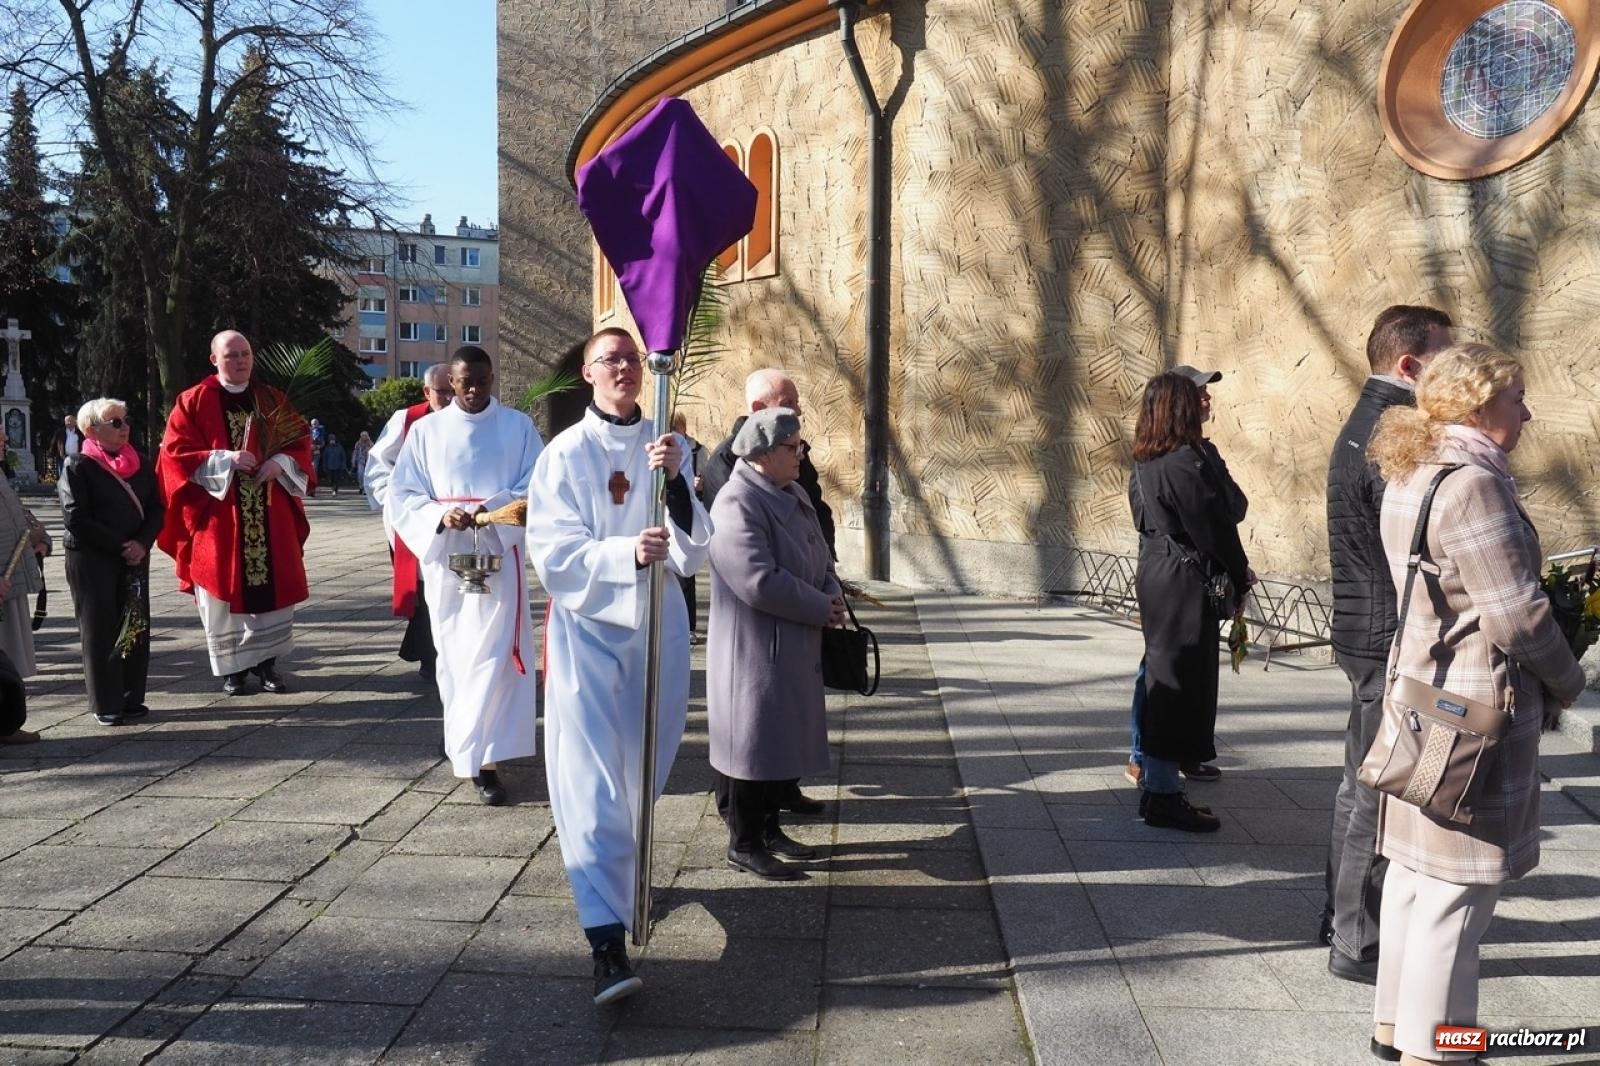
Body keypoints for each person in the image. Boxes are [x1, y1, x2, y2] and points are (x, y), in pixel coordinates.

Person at [1363, 344, 1581, 1065]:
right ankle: (1438, 1050)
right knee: (1457, 894)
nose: (1527, 412)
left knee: (1412, 874)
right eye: (1516, 398)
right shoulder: (1473, 485)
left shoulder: (1415, 469)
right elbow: (1516, 616)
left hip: (1423, 698)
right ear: (1480, 404)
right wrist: (1570, 678)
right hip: (1474, 714)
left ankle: (1394, 1027)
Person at [526, 326, 712, 1006]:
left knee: (641, 775)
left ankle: (624, 881)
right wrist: (626, 553)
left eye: (632, 358)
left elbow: (696, 547)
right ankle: (604, 941)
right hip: (589, 633)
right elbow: (552, 552)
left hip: (658, 632)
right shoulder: (563, 454)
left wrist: (676, 483)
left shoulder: (667, 444)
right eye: (610, 360)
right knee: (590, 784)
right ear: (588, 373)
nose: (625, 368)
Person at [1321, 305, 1454, 985]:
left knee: (1360, 785)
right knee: (1378, 794)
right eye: (1443, 358)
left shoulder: (1370, 420)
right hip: (1384, 637)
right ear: (1408, 365)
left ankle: (1342, 920)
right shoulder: (1393, 432)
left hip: (1366, 632)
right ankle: (1358, 940)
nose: (1452, 370)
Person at [387, 346, 542, 805]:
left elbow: (538, 484)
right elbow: (403, 493)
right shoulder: (426, 432)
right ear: (450, 383)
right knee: (456, 655)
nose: (474, 390)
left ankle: (486, 760)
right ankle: (466, 741)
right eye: (464, 382)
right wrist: (440, 515)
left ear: (493, 379)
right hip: (448, 560)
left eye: (482, 381)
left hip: (499, 555)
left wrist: (490, 512)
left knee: (495, 656)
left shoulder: (518, 427)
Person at [707, 408, 845, 880]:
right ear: (763, 453)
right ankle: (744, 843)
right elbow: (757, 580)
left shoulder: (793, 491)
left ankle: (770, 830)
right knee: (751, 744)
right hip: (754, 651)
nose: (800, 454)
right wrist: (820, 606)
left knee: (778, 740)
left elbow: (820, 552)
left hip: (791, 643)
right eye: (792, 447)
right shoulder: (736, 502)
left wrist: (831, 592)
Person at [156, 329, 313, 696]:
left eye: (245, 354)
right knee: (221, 588)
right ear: (215, 360)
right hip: (220, 518)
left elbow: (300, 441)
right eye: (231, 355)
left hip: (269, 511)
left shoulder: (271, 398)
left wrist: (279, 463)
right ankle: (233, 669)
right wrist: (225, 459)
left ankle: (268, 664)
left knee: (274, 588)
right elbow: (173, 455)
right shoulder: (193, 401)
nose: (240, 361)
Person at [1128, 372, 1250, 833]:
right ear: (1178, 406)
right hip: (1181, 581)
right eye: (1195, 394)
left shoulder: (1149, 459)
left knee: (1167, 676)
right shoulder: (1182, 462)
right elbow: (1214, 527)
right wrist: (1239, 574)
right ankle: (1163, 795)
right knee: (1176, 683)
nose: (1207, 397)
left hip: (1160, 573)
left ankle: (1158, 784)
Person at [59, 399, 164, 726]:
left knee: (134, 625)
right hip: (93, 558)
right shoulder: (78, 465)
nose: (124, 427)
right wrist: (122, 546)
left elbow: (157, 508)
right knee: (100, 628)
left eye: (125, 420)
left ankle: (131, 697)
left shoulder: (141, 462)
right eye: (115, 422)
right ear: (91, 430)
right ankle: (106, 702)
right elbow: (76, 517)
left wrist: (142, 543)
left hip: (135, 556)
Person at [365, 364, 454, 682]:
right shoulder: (406, 419)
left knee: (452, 585)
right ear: (426, 392)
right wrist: (395, 499)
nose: (449, 398)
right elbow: (378, 464)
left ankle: (448, 654)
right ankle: (429, 657)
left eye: (453, 390)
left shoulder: (468, 418)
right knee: (423, 587)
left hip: (455, 520)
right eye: (441, 391)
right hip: (415, 520)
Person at [0, 425, 49, 680]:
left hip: (9, 579)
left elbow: (17, 516)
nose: (4, 437)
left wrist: (42, 541)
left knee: (12, 668)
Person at [671, 409, 706, 643]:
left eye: (677, 427)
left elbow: (705, 473)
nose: (674, 432)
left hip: (688, 508)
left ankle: (689, 626)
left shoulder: (695, 449)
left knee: (686, 576)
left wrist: (699, 483)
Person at [48, 413, 83, 478]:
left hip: (76, 459)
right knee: (63, 477)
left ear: (75, 422)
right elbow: (53, 444)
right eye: (67, 421)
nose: (69, 423)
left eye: (70, 421)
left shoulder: (80, 433)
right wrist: (50, 456)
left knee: (76, 477)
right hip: (63, 458)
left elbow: (84, 445)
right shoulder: (60, 432)